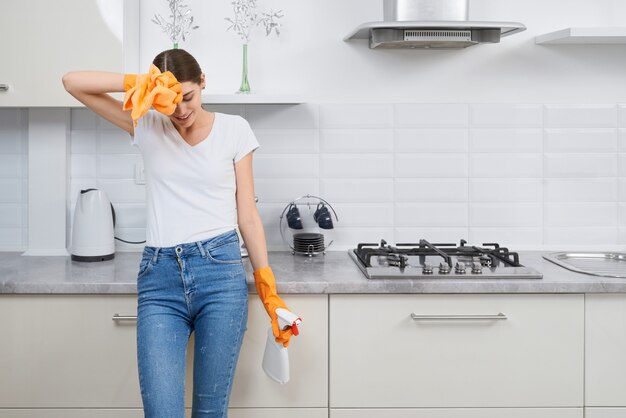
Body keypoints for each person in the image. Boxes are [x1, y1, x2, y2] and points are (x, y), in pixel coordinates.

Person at [62, 48, 295, 418]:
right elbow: (72, 82)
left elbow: (247, 213)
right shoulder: (147, 123)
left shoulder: (235, 129)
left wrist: (267, 286)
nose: (181, 110)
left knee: (209, 412)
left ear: (202, 83)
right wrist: (141, 84)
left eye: (188, 96)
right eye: (170, 101)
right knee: (161, 412)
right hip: (160, 279)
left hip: (220, 275)